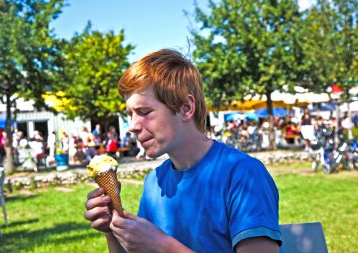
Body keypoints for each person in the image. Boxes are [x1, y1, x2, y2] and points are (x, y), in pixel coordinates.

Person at [84, 49, 281, 253]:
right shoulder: (154, 181)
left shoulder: (243, 174)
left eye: (144, 112)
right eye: (130, 115)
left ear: (186, 108)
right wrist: (112, 229)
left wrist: (163, 246)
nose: (132, 126)